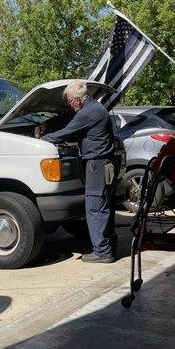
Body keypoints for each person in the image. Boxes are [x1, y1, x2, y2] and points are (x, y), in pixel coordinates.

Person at [37, 80, 118, 263]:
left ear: (77, 100)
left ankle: (102, 252)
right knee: (105, 206)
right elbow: (69, 119)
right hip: (104, 163)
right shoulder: (94, 108)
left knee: (95, 208)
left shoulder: (89, 112)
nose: (70, 105)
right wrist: (48, 123)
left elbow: (67, 132)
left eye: (70, 102)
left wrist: (42, 140)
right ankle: (110, 246)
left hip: (96, 165)